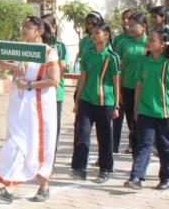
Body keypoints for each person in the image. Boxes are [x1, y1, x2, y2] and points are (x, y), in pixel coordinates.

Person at [0, 16, 60, 203]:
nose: (24, 30)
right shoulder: (20, 50)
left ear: (39, 32)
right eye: (23, 26)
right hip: (19, 107)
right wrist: (14, 66)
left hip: (40, 109)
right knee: (16, 143)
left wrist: (29, 84)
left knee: (41, 146)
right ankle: (9, 188)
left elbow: (54, 80)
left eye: (29, 27)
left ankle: (43, 186)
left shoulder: (49, 52)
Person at [69, 22, 121, 183]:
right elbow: (82, 79)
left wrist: (116, 105)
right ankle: (79, 168)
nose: (94, 34)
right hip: (86, 100)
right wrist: (77, 101)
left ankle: (105, 170)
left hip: (105, 102)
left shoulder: (112, 57)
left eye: (98, 32)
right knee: (82, 133)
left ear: (106, 36)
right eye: (93, 32)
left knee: (105, 137)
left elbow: (116, 82)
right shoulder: (87, 54)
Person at [124, 29, 169, 190]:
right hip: (145, 111)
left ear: (163, 44)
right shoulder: (144, 62)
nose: (148, 42)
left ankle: (165, 177)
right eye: (148, 39)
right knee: (144, 144)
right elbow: (139, 86)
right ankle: (136, 177)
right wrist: (136, 109)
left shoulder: (166, 63)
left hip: (164, 112)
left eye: (153, 40)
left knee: (165, 146)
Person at [115, 11, 148, 154]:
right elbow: (119, 69)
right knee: (132, 123)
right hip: (128, 88)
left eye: (134, 26)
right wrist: (120, 90)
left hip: (147, 91)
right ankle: (137, 154)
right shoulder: (124, 43)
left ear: (144, 26)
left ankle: (142, 153)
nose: (130, 28)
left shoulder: (151, 43)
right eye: (130, 25)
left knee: (144, 124)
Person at [42, 14, 68, 155]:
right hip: (37, 91)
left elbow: (62, 67)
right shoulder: (35, 46)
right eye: (42, 26)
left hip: (54, 93)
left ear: (54, 28)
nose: (44, 29)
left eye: (47, 26)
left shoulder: (60, 47)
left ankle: (51, 156)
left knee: (53, 126)